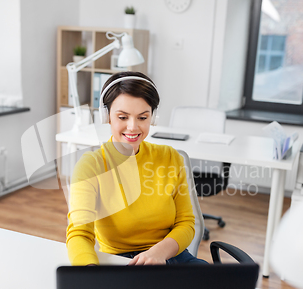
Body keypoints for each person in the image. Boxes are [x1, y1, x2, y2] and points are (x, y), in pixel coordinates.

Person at [66, 71, 208, 266]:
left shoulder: (170, 157)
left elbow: (186, 222)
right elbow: (79, 233)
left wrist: (158, 253)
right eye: (123, 117)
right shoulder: (91, 166)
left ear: (153, 117)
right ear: (106, 116)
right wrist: (90, 273)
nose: (132, 127)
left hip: (170, 255)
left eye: (142, 117)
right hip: (121, 261)